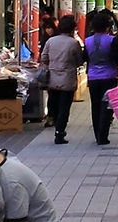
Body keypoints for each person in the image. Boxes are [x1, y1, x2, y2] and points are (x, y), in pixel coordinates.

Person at [83, 11, 118, 145]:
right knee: (107, 106)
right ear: (108, 27)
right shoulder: (112, 40)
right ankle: (103, 135)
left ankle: (97, 134)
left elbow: (85, 58)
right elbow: (117, 58)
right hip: (109, 77)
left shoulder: (87, 41)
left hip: (93, 77)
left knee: (95, 105)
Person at [40, 15, 84, 144]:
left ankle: (52, 119)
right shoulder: (73, 43)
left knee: (54, 103)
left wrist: (52, 65)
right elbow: (79, 61)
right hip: (68, 80)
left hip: (53, 79)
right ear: (72, 29)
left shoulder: (51, 41)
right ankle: (60, 132)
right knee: (65, 107)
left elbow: (44, 58)